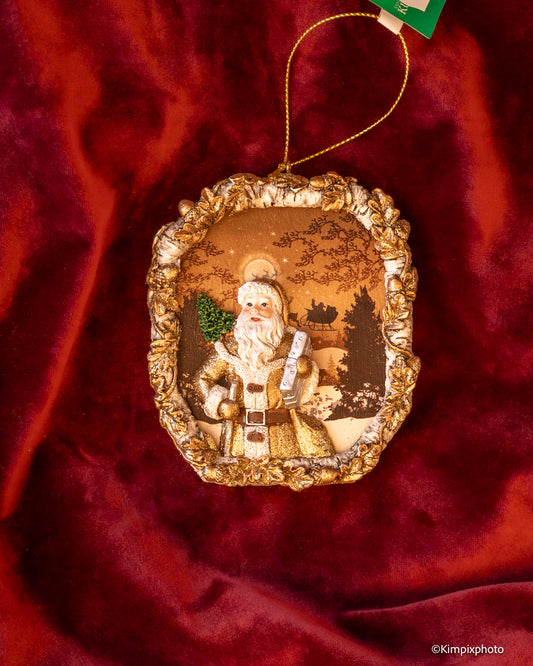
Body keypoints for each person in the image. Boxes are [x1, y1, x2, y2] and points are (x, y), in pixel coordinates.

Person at [194, 280, 334, 459]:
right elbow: (202, 378)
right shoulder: (230, 347)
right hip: (239, 439)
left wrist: (304, 370)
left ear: (276, 310)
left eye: (264, 304)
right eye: (249, 304)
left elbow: (300, 387)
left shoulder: (289, 346)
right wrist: (220, 405)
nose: (255, 310)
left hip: (280, 437)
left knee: (285, 467)